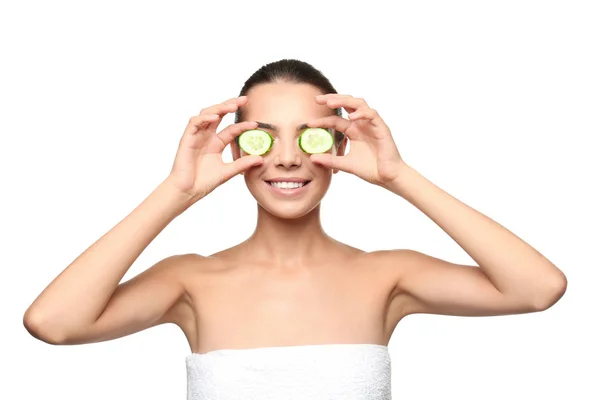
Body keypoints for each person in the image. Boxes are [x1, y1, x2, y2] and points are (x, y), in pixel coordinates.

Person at [23, 59, 568, 399]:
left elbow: (537, 288)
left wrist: (400, 177)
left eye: (309, 137)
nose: (286, 158)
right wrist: (176, 193)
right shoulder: (188, 281)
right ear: (235, 148)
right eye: (263, 138)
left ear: (338, 147)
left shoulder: (387, 276)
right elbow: (53, 323)